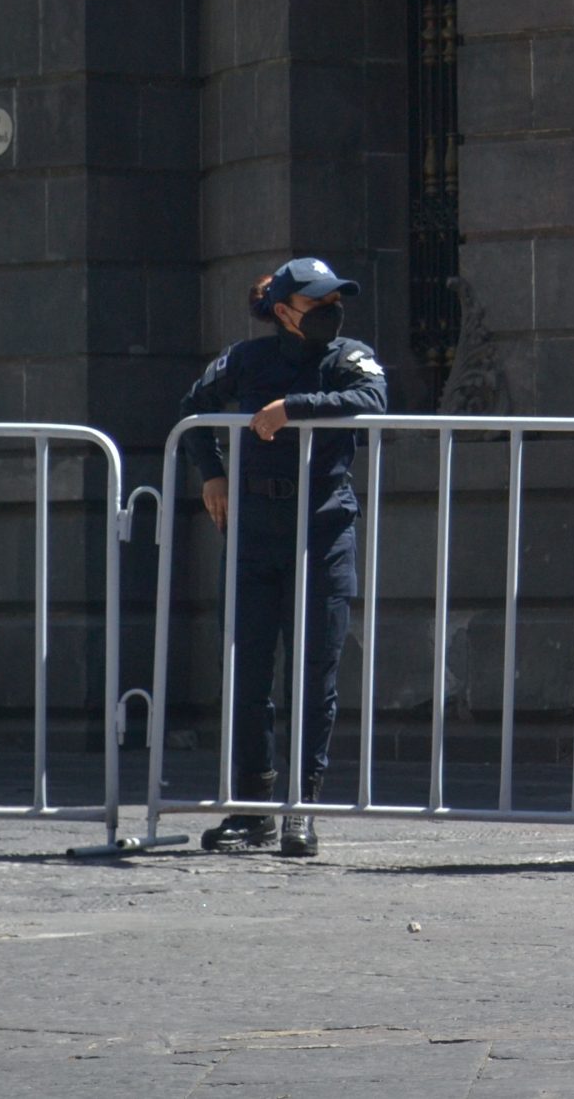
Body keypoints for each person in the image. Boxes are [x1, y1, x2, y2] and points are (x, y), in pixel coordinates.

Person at [179, 257, 388, 858]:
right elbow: (193, 412)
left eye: (333, 302)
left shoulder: (347, 354)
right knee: (247, 672)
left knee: (315, 671)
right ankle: (253, 808)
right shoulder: (246, 359)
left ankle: (304, 807)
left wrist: (291, 408)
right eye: (316, 303)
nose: (330, 312)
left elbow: (372, 397)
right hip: (254, 531)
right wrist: (213, 474)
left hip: (322, 528)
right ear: (283, 312)